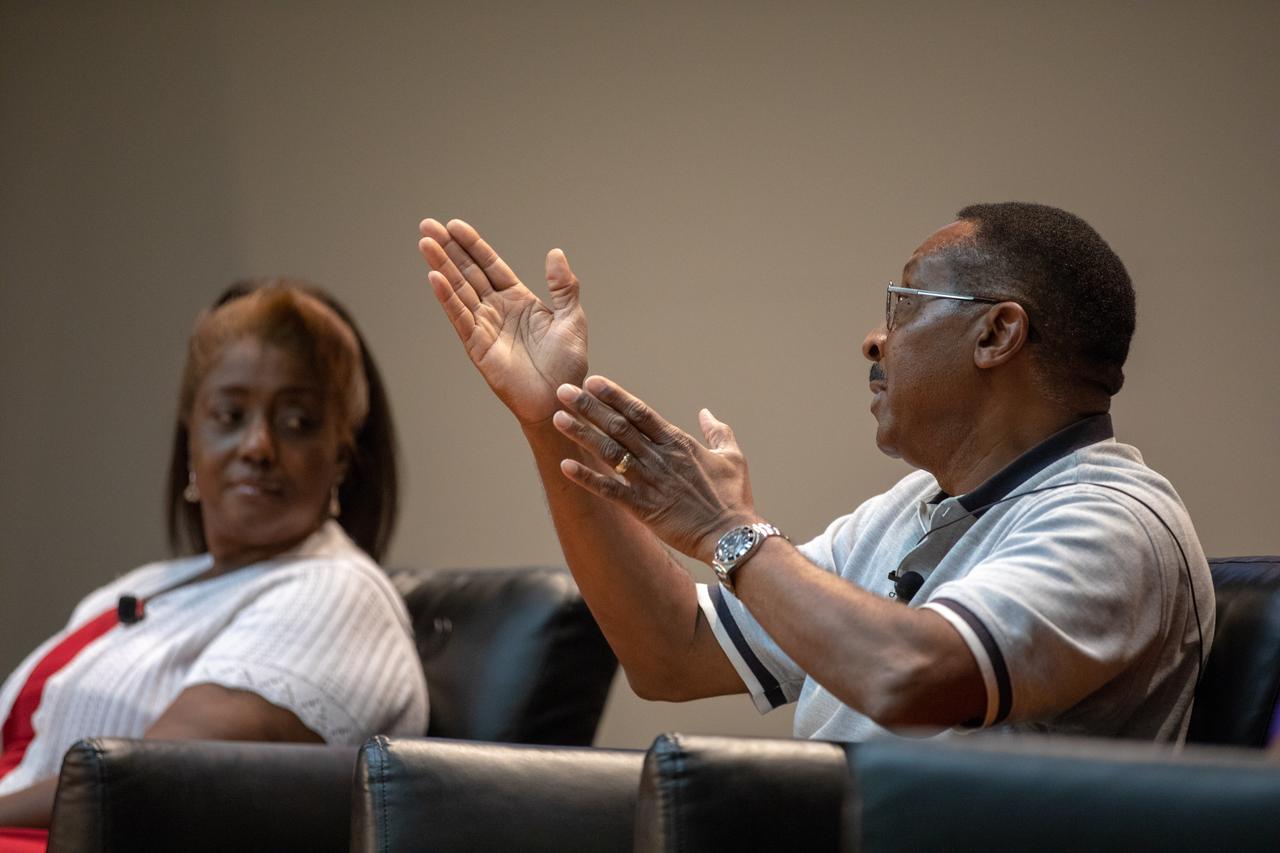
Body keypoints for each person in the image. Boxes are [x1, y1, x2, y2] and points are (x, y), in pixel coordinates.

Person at [417, 202, 1212, 744]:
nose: (874, 340)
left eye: (902, 305)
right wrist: (544, 416)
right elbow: (670, 652)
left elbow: (907, 676)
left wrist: (730, 531)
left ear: (997, 332)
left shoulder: (1113, 522)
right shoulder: (918, 509)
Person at [0, 280, 428, 842]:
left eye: (297, 422)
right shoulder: (142, 586)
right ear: (193, 442)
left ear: (341, 459)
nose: (257, 446)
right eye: (229, 415)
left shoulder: (339, 593)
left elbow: (142, 779)